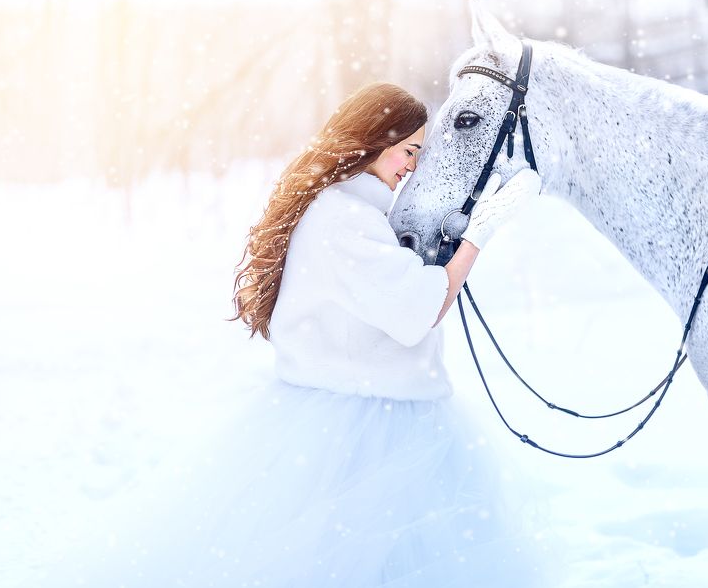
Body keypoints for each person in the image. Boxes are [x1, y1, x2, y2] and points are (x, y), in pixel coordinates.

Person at [39, 83, 547, 587]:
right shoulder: (347, 220)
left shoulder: (341, 210)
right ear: (375, 142)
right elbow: (420, 306)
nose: (412, 166)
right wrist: (480, 235)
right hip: (369, 424)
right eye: (409, 151)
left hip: (350, 409)